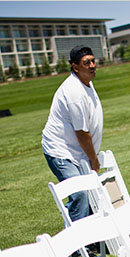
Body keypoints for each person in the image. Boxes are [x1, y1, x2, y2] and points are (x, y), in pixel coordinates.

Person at [42, 45, 102, 222]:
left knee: (89, 192)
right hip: (60, 151)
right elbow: (82, 132)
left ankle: (90, 237)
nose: (92, 65)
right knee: (80, 194)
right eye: (86, 63)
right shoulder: (74, 91)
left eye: (93, 61)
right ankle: (76, 245)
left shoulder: (86, 83)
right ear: (75, 67)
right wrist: (93, 159)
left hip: (76, 151)